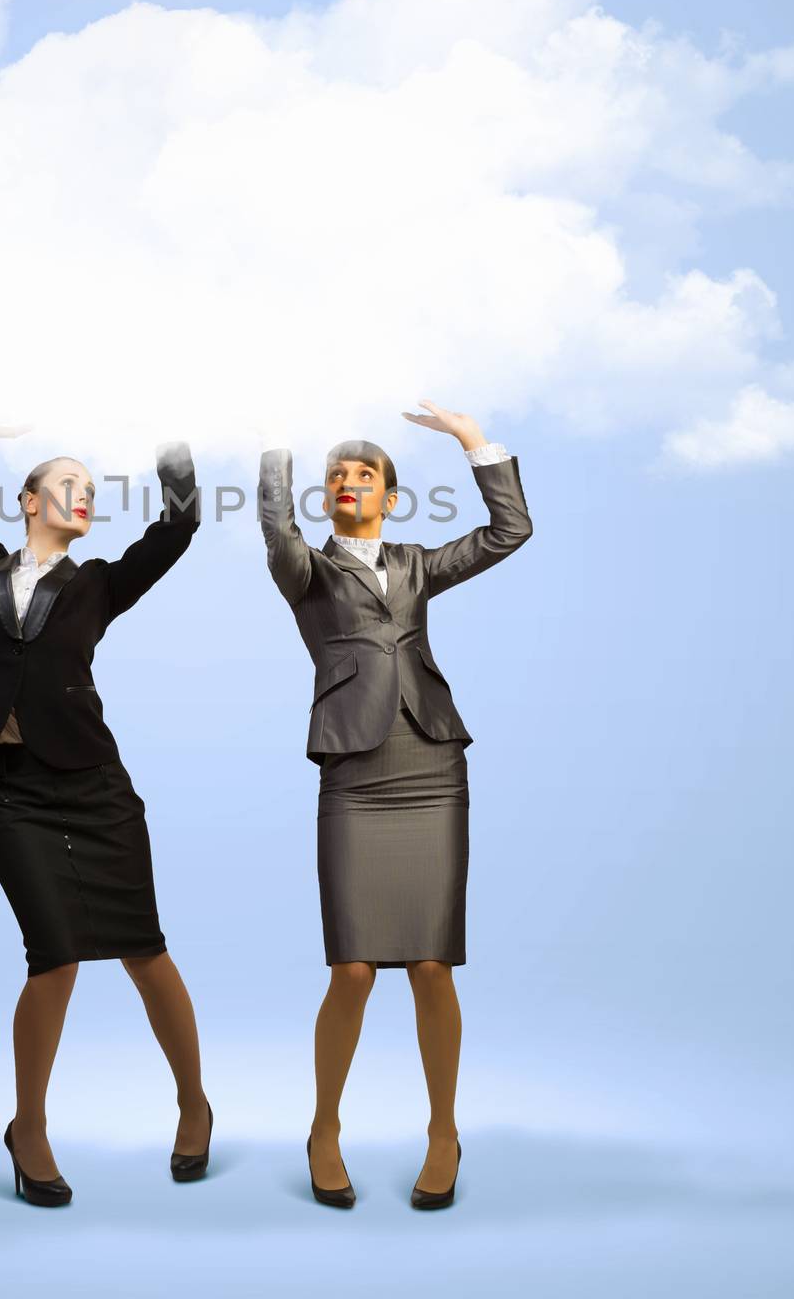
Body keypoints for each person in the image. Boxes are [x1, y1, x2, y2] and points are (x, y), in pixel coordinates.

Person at [0, 420, 213, 1205]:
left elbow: (181, 520)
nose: (83, 496)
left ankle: (194, 1102)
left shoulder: (97, 584)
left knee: (143, 950)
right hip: (12, 792)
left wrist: (170, 431)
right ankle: (29, 1128)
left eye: (92, 492)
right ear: (26, 500)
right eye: (68, 484)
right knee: (52, 955)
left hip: (98, 789)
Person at [257, 398, 533, 1210]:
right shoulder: (305, 569)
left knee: (429, 965)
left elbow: (508, 532)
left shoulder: (416, 564)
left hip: (430, 764)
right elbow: (275, 531)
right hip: (354, 770)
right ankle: (325, 1128)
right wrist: (275, 437)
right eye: (336, 475)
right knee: (351, 968)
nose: (348, 481)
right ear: (324, 497)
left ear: (392, 496)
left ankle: (443, 1131)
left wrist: (473, 441)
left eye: (365, 474)